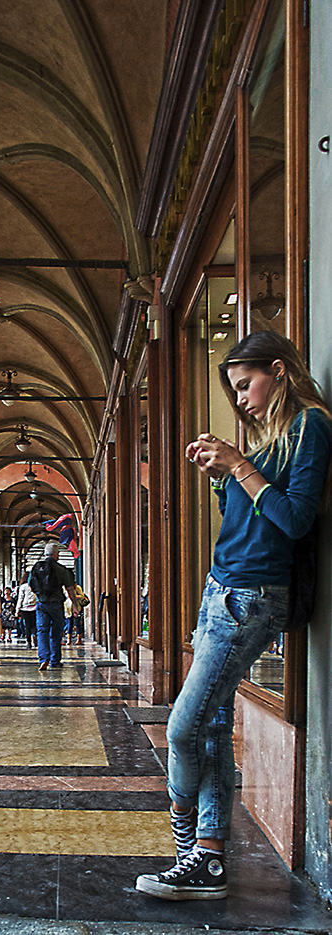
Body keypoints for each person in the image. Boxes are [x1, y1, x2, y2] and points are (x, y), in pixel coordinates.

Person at [136, 331, 332, 901]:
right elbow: (248, 517)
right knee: (213, 726)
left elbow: (295, 519)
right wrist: (227, 476)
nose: (241, 398)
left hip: (251, 597)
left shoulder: (309, 426)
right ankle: (211, 857)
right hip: (220, 590)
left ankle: (187, 846)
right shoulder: (271, 439)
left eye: (245, 385)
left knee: (182, 727)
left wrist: (239, 465)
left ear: (280, 370)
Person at [28, 542, 78, 671]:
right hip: (56, 604)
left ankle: (43, 658)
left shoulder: (36, 568)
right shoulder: (61, 569)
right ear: (57, 555)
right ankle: (55, 661)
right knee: (56, 633)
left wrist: (41, 595)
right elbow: (70, 590)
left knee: (42, 632)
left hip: (41, 604)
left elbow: (30, 586)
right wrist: (76, 606)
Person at [15, 573, 38, 648]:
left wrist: (17, 610)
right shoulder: (35, 585)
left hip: (25, 608)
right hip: (35, 607)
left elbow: (20, 598)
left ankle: (29, 642)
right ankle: (35, 636)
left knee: (27, 626)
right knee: (34, 625)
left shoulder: (23, 587)